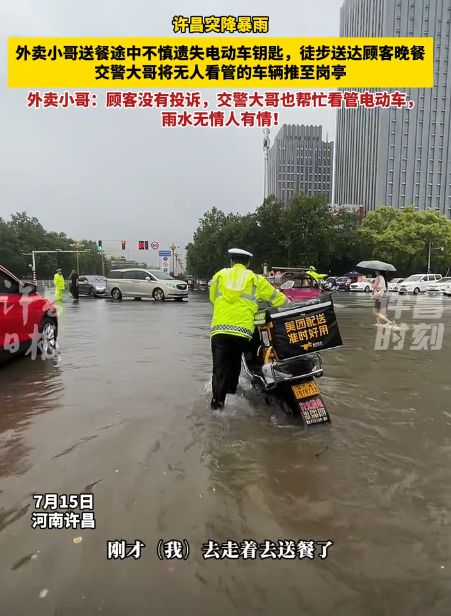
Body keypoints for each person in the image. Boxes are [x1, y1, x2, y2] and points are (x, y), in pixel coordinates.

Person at [209, 248, 288, 410]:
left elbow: (212, 299)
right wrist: (290, 301)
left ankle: (218, 405)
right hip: (243, 332)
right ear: (248, 263)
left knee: (219, 367)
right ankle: (251, 382)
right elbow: (277, 300)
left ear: (231, 261)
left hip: (219, 331)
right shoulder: (255, 279)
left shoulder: (219, 276)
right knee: (244, 356)